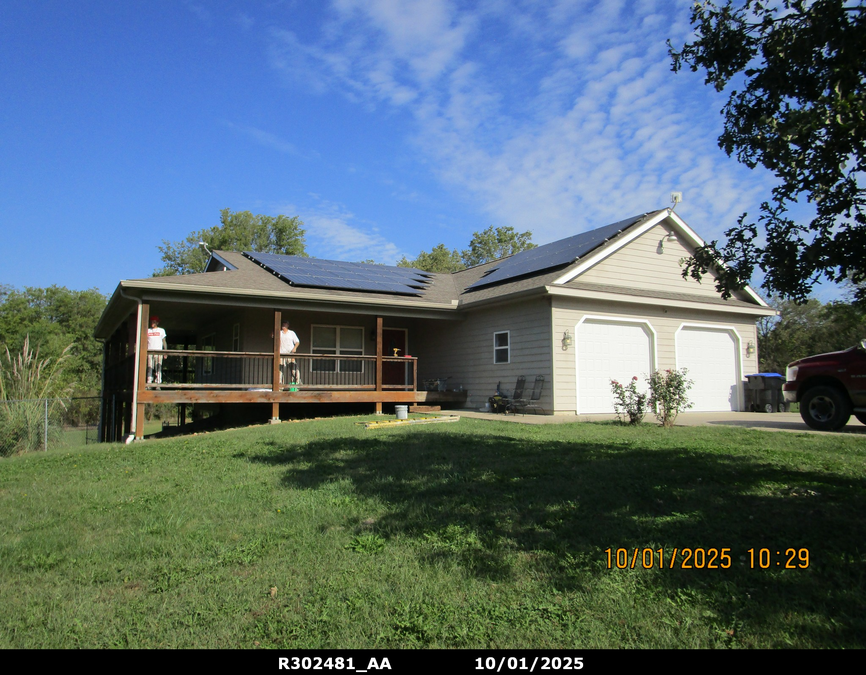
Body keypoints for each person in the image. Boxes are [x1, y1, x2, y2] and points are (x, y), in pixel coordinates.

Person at [146, 315, 167, 384]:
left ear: (157, 323)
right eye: (151, 321)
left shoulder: (161, 330)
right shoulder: (148, 330)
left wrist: (165, 352)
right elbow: (145, 342)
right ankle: (149, 382)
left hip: (158, 352)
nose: (152, 323)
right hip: (149, 352)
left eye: (154, 322)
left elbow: (164, 341)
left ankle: (158, 382)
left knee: (158, 367)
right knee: (150, 367)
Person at [279, 321, 301, 385]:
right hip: (281, 354)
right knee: (280, 371)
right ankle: (280, 386)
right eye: (283, 324)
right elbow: (272, 335)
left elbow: (297, 342)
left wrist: (295, 348)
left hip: (290, 354)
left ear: (288, 325)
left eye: (285, 324)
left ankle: (296, 384)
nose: (283, 325)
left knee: (294, 370)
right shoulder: (279, 333)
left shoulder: (291, 333)